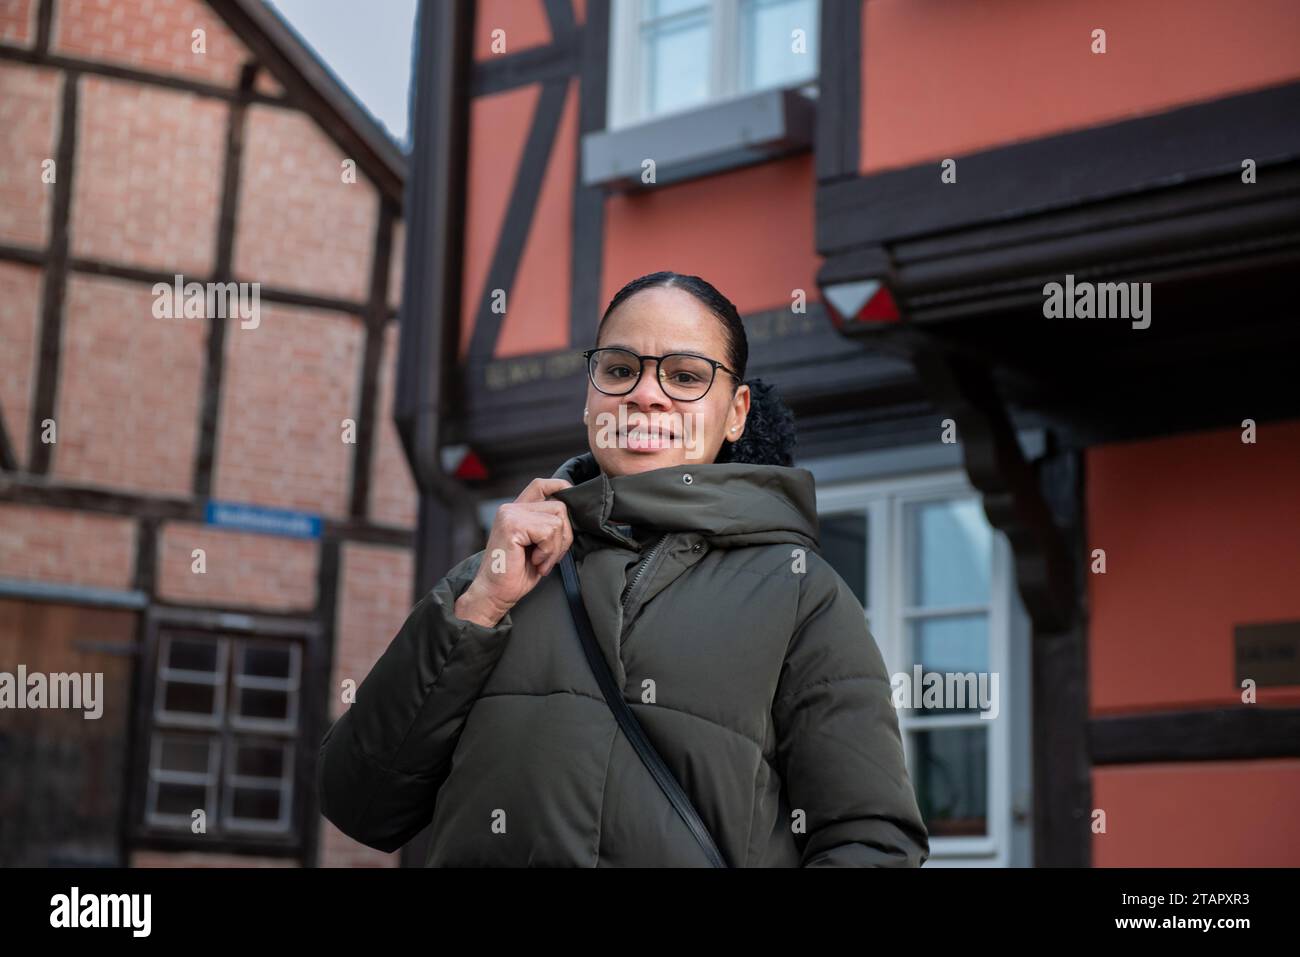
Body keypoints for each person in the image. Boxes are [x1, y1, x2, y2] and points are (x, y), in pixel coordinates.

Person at [317, 270, 930, 867]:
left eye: (687, 375)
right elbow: (360, 805)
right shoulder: (491, 580)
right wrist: (479, 608)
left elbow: (872, 841)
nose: (645, 393)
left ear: (736, 412)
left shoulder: (801, 593)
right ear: (591, 396)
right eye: (618, 369)